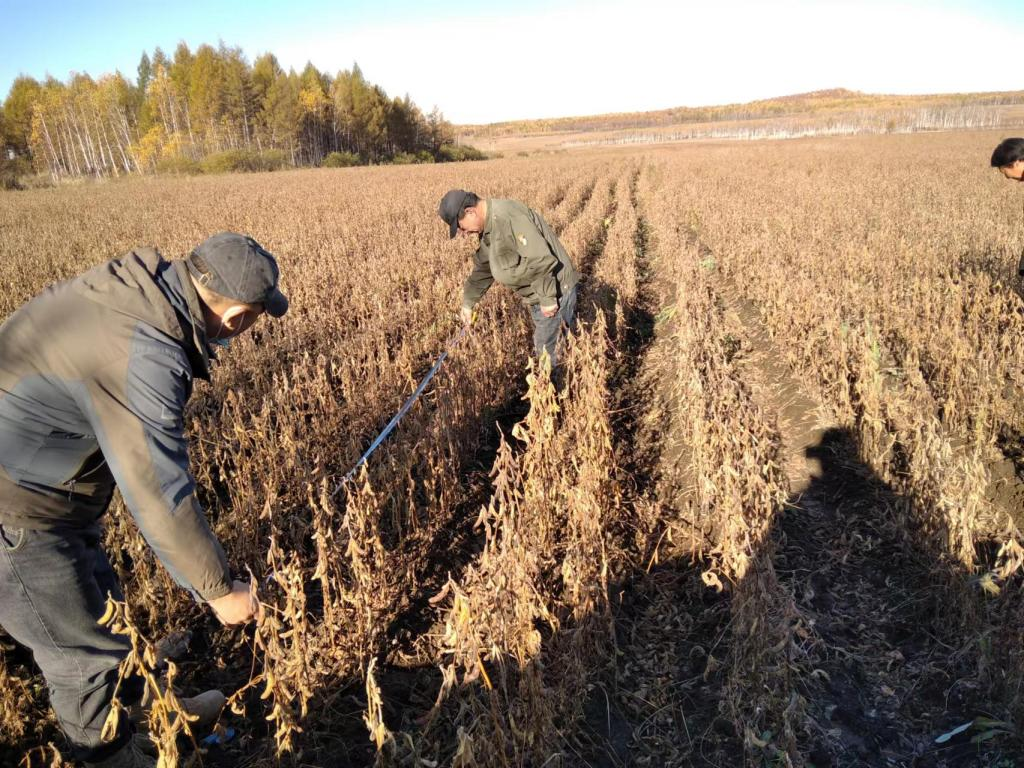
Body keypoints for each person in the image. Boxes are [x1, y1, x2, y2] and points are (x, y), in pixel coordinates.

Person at [0, 232, 288, 767]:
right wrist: (219, 589)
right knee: (83, 658)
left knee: (111, 617)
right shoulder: (146, 350)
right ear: (235, 318)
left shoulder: (144, 292)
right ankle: (116, 755)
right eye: (252, 319)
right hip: (16, 511)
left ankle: (162, 713)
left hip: (52, 490)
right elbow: (157, 488)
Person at [438, 189, 579, 367]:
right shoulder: (489, 228)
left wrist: (547, 298)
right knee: (549, 352)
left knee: (548, 358)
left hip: (555, 290)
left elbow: (539, 257)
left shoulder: (508, 216)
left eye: (461, 227)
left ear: (470, 212)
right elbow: (484, 267)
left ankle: (561, 391)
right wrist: (468, 302)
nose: (463, 233)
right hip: (540, 295)